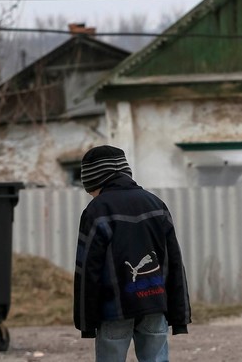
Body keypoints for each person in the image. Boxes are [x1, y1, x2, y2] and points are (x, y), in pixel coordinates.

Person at [73, 145, 191, 362]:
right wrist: (180, 315)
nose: (93, 197)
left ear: (95, 180)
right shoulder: (156, 204)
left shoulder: (97, 210)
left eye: (91, 192)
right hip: (155, 303)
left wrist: (86, 321)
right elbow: (174, 262)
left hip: (114, 309)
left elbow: (87, 270)